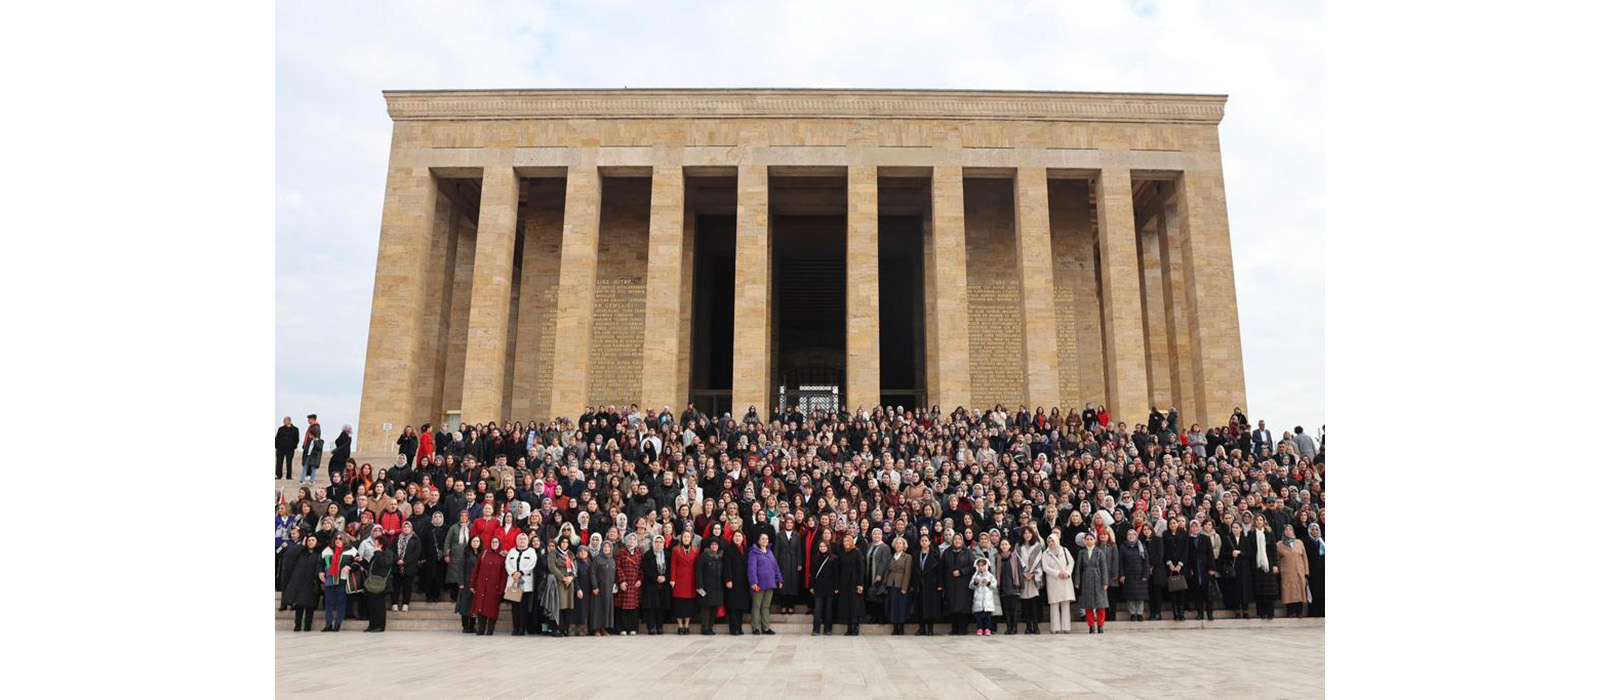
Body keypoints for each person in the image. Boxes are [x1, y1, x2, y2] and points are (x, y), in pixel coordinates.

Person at [1242, 515, 1280, 620]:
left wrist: (1275, 565)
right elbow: (1250, 550)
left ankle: (1270, 612)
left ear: (1264, 521)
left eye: (1261, 520)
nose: (1259, 522)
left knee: (1269, 591)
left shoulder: (1269, 533)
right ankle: (1261, 612)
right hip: (1256, 565)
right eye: (1257, 520)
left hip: (1269, 564)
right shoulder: (1251, 534)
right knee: (1259, 591)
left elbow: (1273, 550)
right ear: (1254, 522)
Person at [1075, 528, 1113, 634]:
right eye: (1087, 539)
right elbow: (1078, 568)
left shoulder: (1099, 552)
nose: (1089, 541)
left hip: (1098, 578)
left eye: (1091, 539)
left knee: (1100, 604)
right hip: (1086, 578)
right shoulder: (1081, 553)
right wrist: (1077, 581)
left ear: (1094, 540)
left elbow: (1104, 568)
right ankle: (1091, 626)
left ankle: (1100, 626)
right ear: (1084, 541)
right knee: (1089, 605)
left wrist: (1105, 582)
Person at [282, 533, 321, 632]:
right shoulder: (301, 553)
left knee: (310, 606)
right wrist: (301, 545)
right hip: (300, 582)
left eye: (313, 540)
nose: (310, 542)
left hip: (311, 582)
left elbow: (319, 567)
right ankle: (297, 625)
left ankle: (308, 625)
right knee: (299, 605)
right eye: (309, 540)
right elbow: (291, 555)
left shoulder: (318, 554)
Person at [469, 535, 508, 635]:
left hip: (494, 587)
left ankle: (490, 631)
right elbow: (476, 570)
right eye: (493, 542)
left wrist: (501, 589)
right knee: (480, 607)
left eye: (496, 542)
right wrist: (473, 584)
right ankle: (480, 630)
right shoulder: (484, 554)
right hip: (482, 585)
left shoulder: (502, 557)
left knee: (492, 609)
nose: (494, 544)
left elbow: (504, 575)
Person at [747, 532, 782, 635]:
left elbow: (775, 567)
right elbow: (751, 568)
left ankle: (766, 627)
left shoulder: (770, 552)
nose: (765, 541)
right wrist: (753, 582)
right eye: (762, 539)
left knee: (766, 606)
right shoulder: (754, 552)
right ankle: (756, 627)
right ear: (758, 541)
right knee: (757, 605)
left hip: (770, 583)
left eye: (766, 539)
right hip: (759, 584)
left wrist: (780, 579)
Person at [1040, 532, 1076, 634]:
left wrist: (1068, 573)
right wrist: (1057, 573)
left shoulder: (1064, 550)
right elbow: (1045, 567)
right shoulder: (1045, 553)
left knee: (1065, 603)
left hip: (1065, 580)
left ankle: (1066, 627)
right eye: (1049, 541)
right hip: (1054, 580)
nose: (1051, 543)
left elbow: (1071, 562)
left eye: (1053, 541)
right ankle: (1055, 627)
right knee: (1054, 604)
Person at [940, 533, 975, 635]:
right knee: (952, 607)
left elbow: (972, 566)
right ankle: (954, 628)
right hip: (950, 583)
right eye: (955, 539)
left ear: (962, 541)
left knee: (963, 608)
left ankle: (963, 629)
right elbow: (942, 568)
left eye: (959, 539)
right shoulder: (947, 552)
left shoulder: (967, 552)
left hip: (963, 584)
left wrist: (961, 572)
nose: (957, 541)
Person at [319, 534, 355, 632]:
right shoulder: (328, 550)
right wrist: (320, 572)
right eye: (336, 538)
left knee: (340, 602)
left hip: (342, 579)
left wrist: (350, 566)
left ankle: (338, 623)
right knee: (328, 602)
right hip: (330, 579)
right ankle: (328, 624)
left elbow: (357, 563)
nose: (337, 540)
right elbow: (320, 563)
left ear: (345, 540)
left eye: (340, 538)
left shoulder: (351, 550)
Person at [505, 533, 538, 636]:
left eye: (524, 539)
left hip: (525, 582)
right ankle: (515, 627)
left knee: (523, 607)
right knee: (515, 607)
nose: (522, 541)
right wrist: (513, 573)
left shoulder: (531, 551)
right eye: (520, 539)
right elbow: (507, 563)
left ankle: (522, 628)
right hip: (514, 582)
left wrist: (521, 572)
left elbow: (532, 563)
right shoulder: (512, 551)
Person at [695, 537, 728, 635]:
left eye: (716, 545)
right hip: (706, 587)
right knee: (706, 608)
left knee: (714, 608)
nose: (714, 546)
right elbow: (699, 572)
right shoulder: (704, 556)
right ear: (709, 546)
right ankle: (705, 628)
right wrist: (699, 586)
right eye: (713, 545)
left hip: (717, 587)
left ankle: (710, 627)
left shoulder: (720, 557)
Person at [361, 537, 394, 632]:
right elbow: (370, 567)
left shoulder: (388, 553)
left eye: (376, 543)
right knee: (371, 606)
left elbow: (384, 563)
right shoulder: (376, 554)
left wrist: (377, 552)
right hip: (372, 583)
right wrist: (362, 561)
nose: (374, 545)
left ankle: (380, 625)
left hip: (381, 583)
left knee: (379, 606)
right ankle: (372, 625)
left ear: (381, 544)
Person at [1118, 527, 1152, 621]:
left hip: (1140, 574)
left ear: (1136, 536)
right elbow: (1120, 562)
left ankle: (1140, 613)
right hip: (1128, 574)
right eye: (1129, 535)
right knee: (1130, 596)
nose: (1131, 536)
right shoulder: (1123, 547)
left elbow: (1146, 561)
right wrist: (1122, 574)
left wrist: (1146, 574)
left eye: (1133, 534)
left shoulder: (1141, 546)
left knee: (1140, 596)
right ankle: (1133, 613)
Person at [1277, 524, 1310, 618]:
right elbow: (1277, 559)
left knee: (1300, 591)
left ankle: (1299, 611)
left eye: (1290, 529)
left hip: (1299, 570)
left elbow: (1304, 557)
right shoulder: (1279, 544)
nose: (1288, 531)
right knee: (1288, 592)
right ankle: (1290, 611)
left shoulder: (1299, 543)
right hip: (1286, 572)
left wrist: (1306, 571)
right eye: (1286, 530)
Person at [913, 533, 943, 636]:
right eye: (922, 541)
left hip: (931, 584)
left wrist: (940, 584)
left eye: (926, 540)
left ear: (929, 542)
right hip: (920, 584)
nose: (924, 542)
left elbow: (939, 570)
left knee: (930, 607)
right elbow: (914, 570)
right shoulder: (916, 554)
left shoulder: (935, 554)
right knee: (920, 607)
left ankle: (930, 628)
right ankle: (921, 628)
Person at [1017, 526, 1045, 634]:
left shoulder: (1037, 546)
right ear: (1022, 535)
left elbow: (1039, 561)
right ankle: (1028, 626)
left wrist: (1033, 573)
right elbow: (1017, 562)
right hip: (1023, 578)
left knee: (1033, 602)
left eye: (1029, 533)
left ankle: (1036, 626)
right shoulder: (1018, 546)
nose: (1027, 535)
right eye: (1025, 533)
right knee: (1025, 603)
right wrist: (1024, 573)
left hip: (1033, 578)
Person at [548, 535, 578, 636]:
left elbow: (575, 568)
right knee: (559, 605)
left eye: (566, 542)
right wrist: (562, 577)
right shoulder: (554, 554)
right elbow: (552, 567)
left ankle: (565, 628)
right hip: (559, 582)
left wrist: (571, 577)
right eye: (563, 542)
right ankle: (557, 628)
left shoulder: (570, 554)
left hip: (569, 582)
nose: (564, 544)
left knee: (568, 606)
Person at [723, 530, 751, 635]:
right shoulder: (729, 550)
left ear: (743, 538)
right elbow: (727, 566)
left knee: (741, 606)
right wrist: (728, 579)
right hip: (733, 581)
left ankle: (739, 627)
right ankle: (734, 628)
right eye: (736, 536)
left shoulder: (746, 550)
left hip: (743, 581)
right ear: (732, 538)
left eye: (739, 536)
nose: (738, 538)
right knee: (733, 606)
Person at [615, 533, 644, 635]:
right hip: (625, 583)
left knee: (634, 607)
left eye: (633, 539)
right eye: (630, 539)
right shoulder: (621, 552)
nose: (631, 541)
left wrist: (640, 579)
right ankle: (622, 628)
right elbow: (618, 567)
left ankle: (633, 628)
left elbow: (642, 568)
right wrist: (622, 581)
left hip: (635, 583)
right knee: (623, 606)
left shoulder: (639, 553)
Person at [884, 535, 912, 636]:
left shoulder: (907, 557)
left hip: (901, 584)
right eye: (896, 543)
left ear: (904, 545)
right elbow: (888, 570)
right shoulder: (892, 556)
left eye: (900, 543)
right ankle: (895, 627)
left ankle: (901, 628)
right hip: (892, 583)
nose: (898, 545)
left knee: (901, 607)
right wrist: (885, 582)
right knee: (893, 607)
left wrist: (904, 587)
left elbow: (907, 573)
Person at [810, 539, 838, 636]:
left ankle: (828, 629)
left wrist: (836, 587)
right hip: (818, 587)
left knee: (828, 609)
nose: (822, 548)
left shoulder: (833, 558)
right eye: (821, 546)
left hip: (830, 587)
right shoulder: (815, 558)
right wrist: (811, 586)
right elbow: (812, 573)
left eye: (824, 546)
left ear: (828, 547)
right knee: (817, 609)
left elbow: (836, 574)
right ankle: (816, 629)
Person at [391, 520, 421, 612]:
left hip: (409, 567)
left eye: (408, 527)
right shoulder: (396, 538)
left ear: (411, 529)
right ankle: (394, 603)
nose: (406, 529)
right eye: (404, 527)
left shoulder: (415, 539)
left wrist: (405, 561)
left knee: (407, 586)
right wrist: (397, 560)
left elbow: (417, 553)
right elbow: (392, 551)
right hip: (397, 566)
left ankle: (405, 603)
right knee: (396, 586)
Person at [453, 535, 481, 633]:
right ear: (470, 542)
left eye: (478, 541)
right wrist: (460, 582)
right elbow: (460, 569)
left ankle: (472, 625)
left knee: (473, 605)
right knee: (465, 605)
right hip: (466, 582)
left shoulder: (482, 554)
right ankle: (465, 626)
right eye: (474, 541)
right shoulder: (466, 553)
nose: (476, 543)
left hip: (477, 583)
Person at [994, 539, 1022, 634]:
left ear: (1010, 546)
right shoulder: (998, 558)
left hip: (1014, 587)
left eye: (1006, 544)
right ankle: (1009, 627)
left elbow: (1019, 571)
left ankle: (1014, 628)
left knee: (1014, 609)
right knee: (1006, 610)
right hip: (1003, 587)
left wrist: (1020, 585)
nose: (1004, 546)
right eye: (1002, 544)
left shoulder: (1015, 557)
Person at [444, 510, 472, 603]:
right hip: (455, 555)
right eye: (462, 516)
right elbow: (447, 541)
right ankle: (453, 597)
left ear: (468, 517)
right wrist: (446, 554)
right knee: (454, 577)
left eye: (465, 516)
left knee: (465, 576)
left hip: (467, 555)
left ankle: (463, 598)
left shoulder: (471, 527)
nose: (463, 517)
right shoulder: (454, 527)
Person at [590, 540, 618, 636]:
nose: (606, 549)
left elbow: (614, 574)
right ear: (602, 548)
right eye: (604, 547)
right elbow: (592, 573)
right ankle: (596, 629)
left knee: (607, 609)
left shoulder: (612, 560)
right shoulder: (597, 559)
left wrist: (615, 585)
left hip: (609, 589)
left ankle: (604, 628)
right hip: (599, 588)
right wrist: (594, 586)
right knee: (597, 609)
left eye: (608, 547)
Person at [969, 557, 998, 636]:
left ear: (986, 566)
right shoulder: (975, 575)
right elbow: (970, 586)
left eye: (983, 565)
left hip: (987, 600)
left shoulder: (990, 576)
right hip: (978, 599)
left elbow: (994, 586)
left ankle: (988, 628)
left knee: (987, 616)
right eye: (979, 566)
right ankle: (980, 628)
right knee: (979, 616)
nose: (981, 567)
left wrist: (988, 583)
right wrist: (975, 583)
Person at [1306, 523, 1326, 618]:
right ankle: (1314, 612)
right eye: (1312, 529)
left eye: (1316, 529)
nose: (1314, 531)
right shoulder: (1306, 542)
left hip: (1322, 571)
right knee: (1313, 592)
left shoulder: (1323, 542)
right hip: (1312, 571)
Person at [301, 413, 323, 484]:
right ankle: (303, 479)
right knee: (306, 465)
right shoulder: (311, 427)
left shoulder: (315, 427)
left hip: (313, 451)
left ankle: (311, 480)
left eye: (309, 419)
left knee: (311, 467)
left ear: (313, 419)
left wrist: (313, 440)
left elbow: (316, 439)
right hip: (308, 450)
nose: (308, 420)